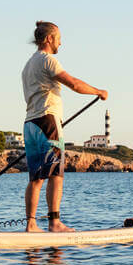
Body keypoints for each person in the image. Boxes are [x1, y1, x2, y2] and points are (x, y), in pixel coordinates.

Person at [21, 21, 108, 232]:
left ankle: (31, 224)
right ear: (49, 39)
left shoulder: (28, 64)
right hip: (47, 121)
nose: (61, 42)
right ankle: (54, 223)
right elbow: (74, 84)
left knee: (36, 178)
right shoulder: (48, 61)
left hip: (30, 124)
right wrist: (99, 92)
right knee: (55, 175)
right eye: (59, 38)